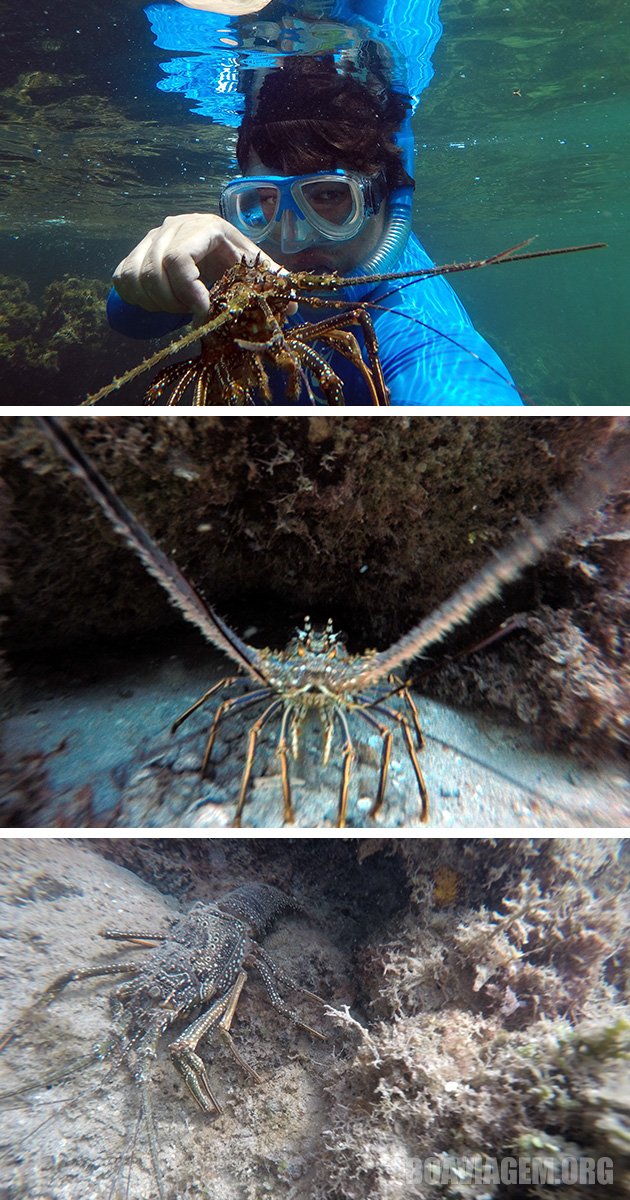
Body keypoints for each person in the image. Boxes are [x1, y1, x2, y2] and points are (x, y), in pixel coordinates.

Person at [109, 56, 522, 405]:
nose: (291, 238)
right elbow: (129, 321)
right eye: (264, 200)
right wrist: (153, 274)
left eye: (327, 197)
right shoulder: (240, 262)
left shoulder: (417, 332)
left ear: (384, 197)